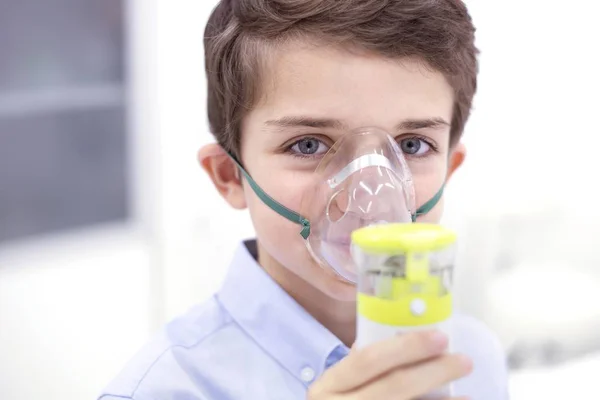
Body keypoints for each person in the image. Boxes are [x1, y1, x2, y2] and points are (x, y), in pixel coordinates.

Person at [98, 0, 509, 399]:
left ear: (449, 169)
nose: (367, 193)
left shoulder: (471, 359)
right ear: (230, 176)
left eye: (413, 145)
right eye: (309, 145)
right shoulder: (163, 390)